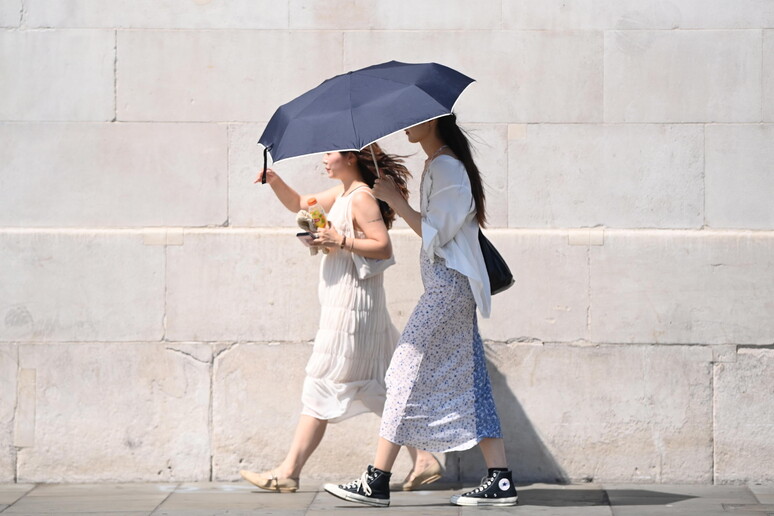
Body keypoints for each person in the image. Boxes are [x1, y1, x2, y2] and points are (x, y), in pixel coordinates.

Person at [323, 114, 519, 508]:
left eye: (413, 122)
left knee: (403, 373)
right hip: (446, 286)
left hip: (449, 287)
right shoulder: (437, 165)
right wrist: (399, 199)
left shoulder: (448, 167)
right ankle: (499, 479)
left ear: (432, 124)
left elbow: (435, 234)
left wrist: (396, 202)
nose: (405, 128)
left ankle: (376, 480)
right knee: (472, 378)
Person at [240, 144, 442, 493]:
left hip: (354, 305)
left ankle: (289, 471)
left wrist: (341, 239)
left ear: (351, 157)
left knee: (323, 380)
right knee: (378, 385)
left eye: (330, 153)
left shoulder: (361, 197)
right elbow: (301, 203)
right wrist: (274, 181)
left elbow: (383, 246)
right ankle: (424, 458)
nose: (323, 158)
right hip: (344, 300)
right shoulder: (343, 193)